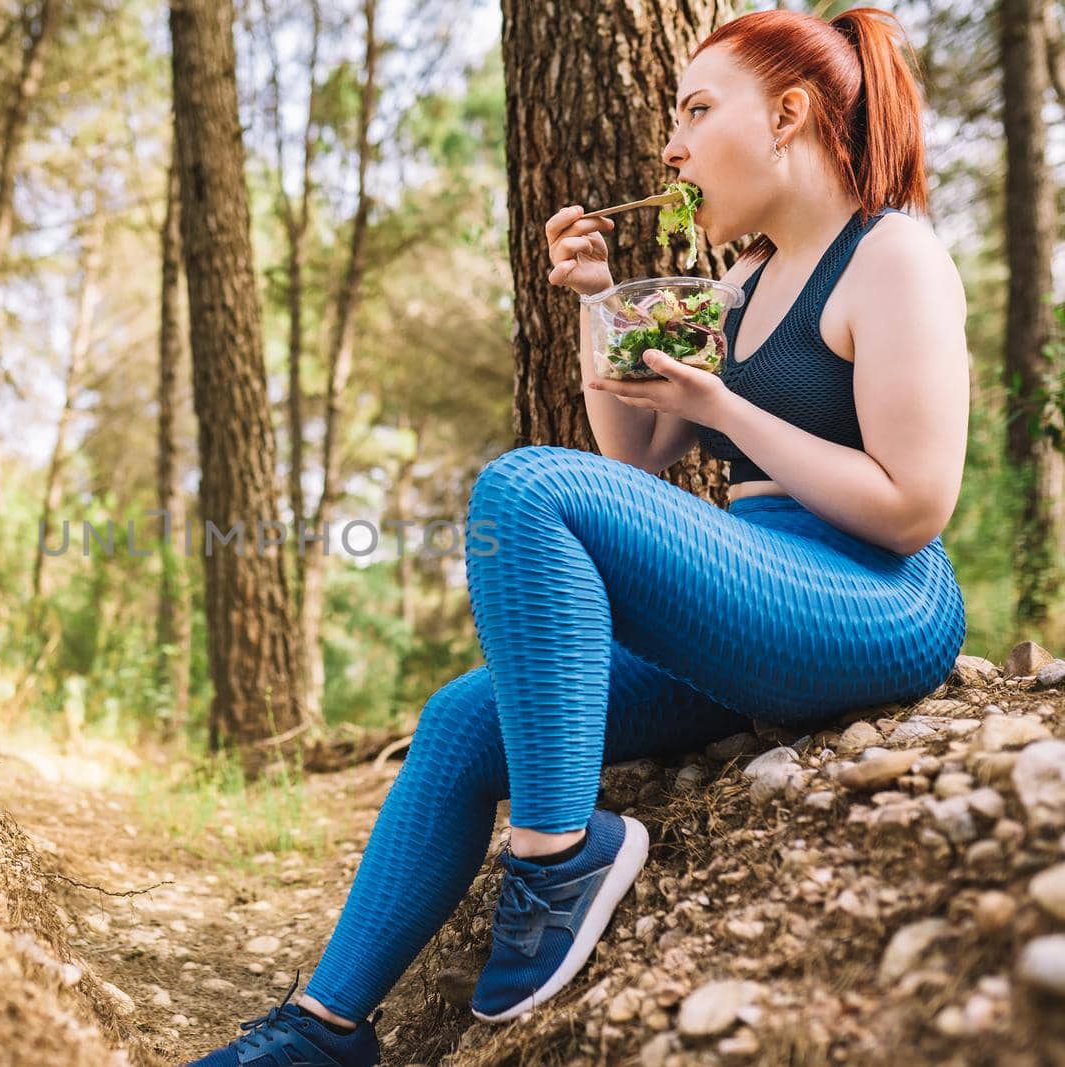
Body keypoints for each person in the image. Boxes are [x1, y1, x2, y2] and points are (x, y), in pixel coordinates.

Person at [184, 6, 968, 1065]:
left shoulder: (892, 254)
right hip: (748, 602)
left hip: (873, 599)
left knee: (521, 485)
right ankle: (320, 1028)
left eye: (696, 111)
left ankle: (556, 860)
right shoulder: (734, 282)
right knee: (464, 715)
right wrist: (599, 303)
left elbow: (915, 503)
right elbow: (634, 459)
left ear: (787, 115)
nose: (673, 145)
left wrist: (728, 408)